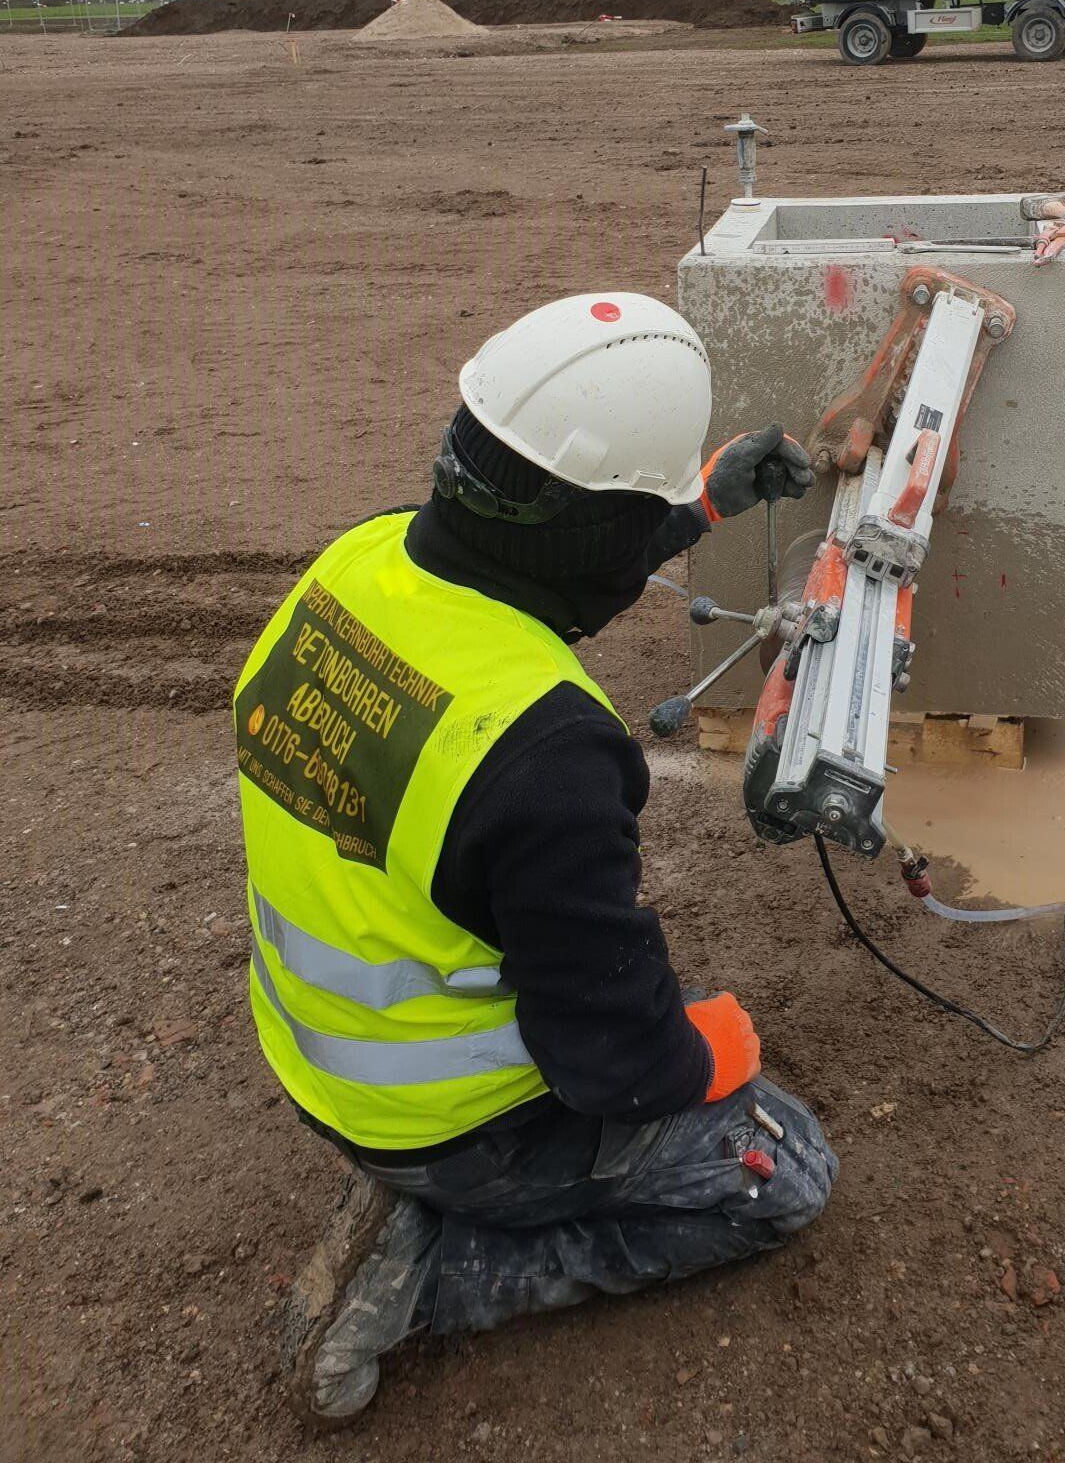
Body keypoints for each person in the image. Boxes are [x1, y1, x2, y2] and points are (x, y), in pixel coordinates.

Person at [233, 293, 836, 1427]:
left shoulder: (362, 561)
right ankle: (438, 1278)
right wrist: (697, 1057)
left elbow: (542, 548)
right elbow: (615, 1063)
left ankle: (431, 1198)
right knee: (787, 1172)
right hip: (445, 1123)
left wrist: (699, 500)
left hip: (314, 1053)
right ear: (599, 536)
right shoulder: (545, 755)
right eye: (639, 525)